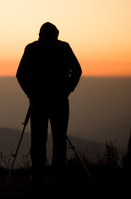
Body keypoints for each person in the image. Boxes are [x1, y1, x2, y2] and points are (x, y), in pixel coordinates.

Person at [16, 22, 82, 182]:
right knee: (59, 137)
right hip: (59, 100)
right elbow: (77, 70)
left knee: (38, 138)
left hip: (38, 101)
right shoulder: (63, 48)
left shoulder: (31, 48)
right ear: (55, 34)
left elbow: (20, 74)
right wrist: (68, 88)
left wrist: (30, 93)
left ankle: (38, 173)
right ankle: (58, 172)